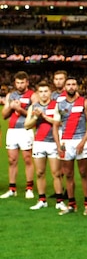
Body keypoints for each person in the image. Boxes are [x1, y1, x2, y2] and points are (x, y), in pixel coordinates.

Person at [55, 75, 87, 215]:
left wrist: (83, 142)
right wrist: (58, 143)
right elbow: (55, 126)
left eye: (74, 84)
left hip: (80, 141)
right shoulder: (59, 104)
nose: (71, 87)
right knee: (68, 174)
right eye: (69, 84)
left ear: (77, 86)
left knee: (84, 173)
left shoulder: (85, 103)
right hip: (66, 142)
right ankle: (72, 204)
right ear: (65, 87)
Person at [24, 81, 61, 210]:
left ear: (50, 92)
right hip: (39, 142)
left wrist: (43, 116)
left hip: (53, 142)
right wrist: (35, 117)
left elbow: (58, 122)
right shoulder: (33, 107)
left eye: (46, 91)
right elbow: (27, 125)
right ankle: (42, 199)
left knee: (56, 173)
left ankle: (59, 200)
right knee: (40, 172)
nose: (44, 94)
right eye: (41, 92)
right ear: (37, 93)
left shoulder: (56, 105)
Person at [2, 71, 35, 199]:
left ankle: (29, 188)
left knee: (27, 159)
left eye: (22, 82)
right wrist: (11, 106)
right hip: (12, 130)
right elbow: (4, 115)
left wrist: (19, 109)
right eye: (17, 83)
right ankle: (12, 189)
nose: (20, 85)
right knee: (12, 160)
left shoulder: (33, 96)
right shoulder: (11, 95)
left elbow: (34, 116)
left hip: (25, 129)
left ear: (27, 82)